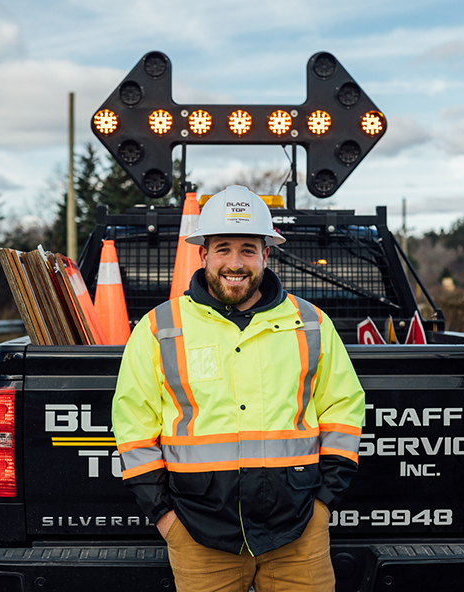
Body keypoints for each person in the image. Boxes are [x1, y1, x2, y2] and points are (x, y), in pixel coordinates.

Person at [112, 186, 365, 592]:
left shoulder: (311, 323)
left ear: (266, 254)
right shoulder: (160, 327)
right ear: (203, 255)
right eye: (223, 248)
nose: (235, 262)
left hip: (298, 529)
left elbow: (343, 409)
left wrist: (322, 505)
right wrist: (164, 517)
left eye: (248, 249)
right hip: (198, 532)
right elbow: (133, 426)